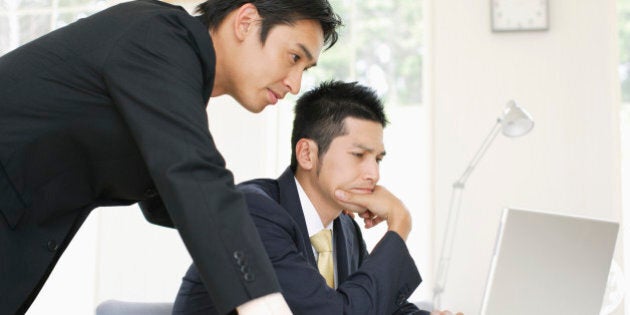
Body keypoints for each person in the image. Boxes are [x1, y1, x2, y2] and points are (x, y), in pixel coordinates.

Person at [0, 0, 341, 314]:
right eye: (294, 57)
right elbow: (194, 177)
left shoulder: (173, 81)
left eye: (305, 69)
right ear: (246, 22)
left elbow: (176, 195)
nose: (295, 84)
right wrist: (264, 305)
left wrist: (282, 226)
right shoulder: (159, 37)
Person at [173, 80, 432, 314]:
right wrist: (399, 223)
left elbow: (370, 300)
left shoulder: (345, 228)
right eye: (358, 155)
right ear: (307, 154)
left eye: (377, 159)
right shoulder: (253, 213)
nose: (373, 174)